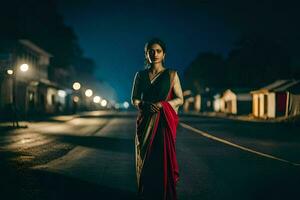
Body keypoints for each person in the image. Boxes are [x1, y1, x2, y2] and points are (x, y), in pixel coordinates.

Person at [131, 38, 184, 200]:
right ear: (146, 54)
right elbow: (134, 99)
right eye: (151, 51)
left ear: (164, 54)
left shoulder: (172, 75)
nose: (154, 54)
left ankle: (163, 194)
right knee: (146, 159)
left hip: (163, 123)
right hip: (145, 122)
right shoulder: (140, 75)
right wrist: (144, 105)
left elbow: (180, 99)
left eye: (158, 51)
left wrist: (163, 105)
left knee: (161, 159)